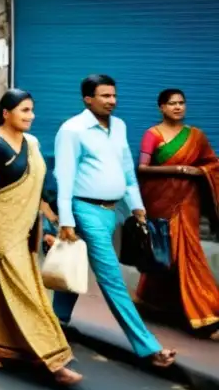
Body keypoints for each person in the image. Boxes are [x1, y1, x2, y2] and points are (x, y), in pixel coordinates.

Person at [51, 74, 176, 367]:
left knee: (74, 266)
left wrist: (137, 206)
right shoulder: (72, 130)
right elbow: (64, 177)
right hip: (84, 210)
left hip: (113, 211)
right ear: (88, 99)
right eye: (105, 96)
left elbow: (127, 170)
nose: (112, 101)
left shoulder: (118, 126)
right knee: (112, 279)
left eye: (114, 95)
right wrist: (66, 219)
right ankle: (149, 347)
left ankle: (57, 321)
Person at [0, 90, 81, 385]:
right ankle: (53, 360)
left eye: (31, 111)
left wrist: (54, 220)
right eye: (24, 111)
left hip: (26, 228)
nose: (31, 116)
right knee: (30, 293)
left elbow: (38, 187)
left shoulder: (32, 143)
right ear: (6, 113)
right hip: (0, 231)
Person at [136, 89, 219, 340]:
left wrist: (199, 172)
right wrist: (179, 168)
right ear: (161, 107)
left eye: (181, 103)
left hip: (187, 202)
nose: (178, 107)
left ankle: (206, 314)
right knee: (165, 254)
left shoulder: (196, 136)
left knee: (188, 254)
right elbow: (143, 167)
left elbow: (212, 164)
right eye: (172, 103)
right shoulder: (153, 135)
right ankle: (159, 303)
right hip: (160, 201)